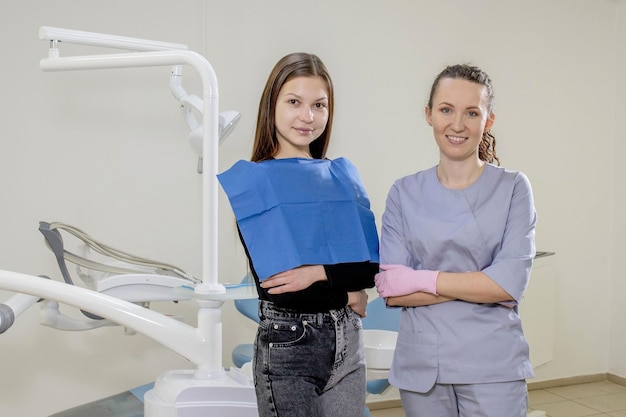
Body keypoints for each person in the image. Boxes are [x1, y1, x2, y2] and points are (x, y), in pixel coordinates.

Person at [218, 52, 379, 417]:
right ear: (271, 104)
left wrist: (321, 272)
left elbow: (370, 268)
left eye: (319, 105)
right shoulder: (255, 183)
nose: (308, 117)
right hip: (290, 343)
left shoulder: (342, 175)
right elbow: (282, 285)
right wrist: (347, 285)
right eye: (294, 102)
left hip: (349, 339)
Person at [374, 63, 537, 417]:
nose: (458, 124)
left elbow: (508, 286)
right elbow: (392, 290)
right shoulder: (404, 193)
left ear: (488, 120)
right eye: (446, 110)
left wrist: (422, 279)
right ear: (429, 114)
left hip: (493, 366)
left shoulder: (513, 189)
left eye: (472, 113)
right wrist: (480, 281)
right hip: (423, 368)